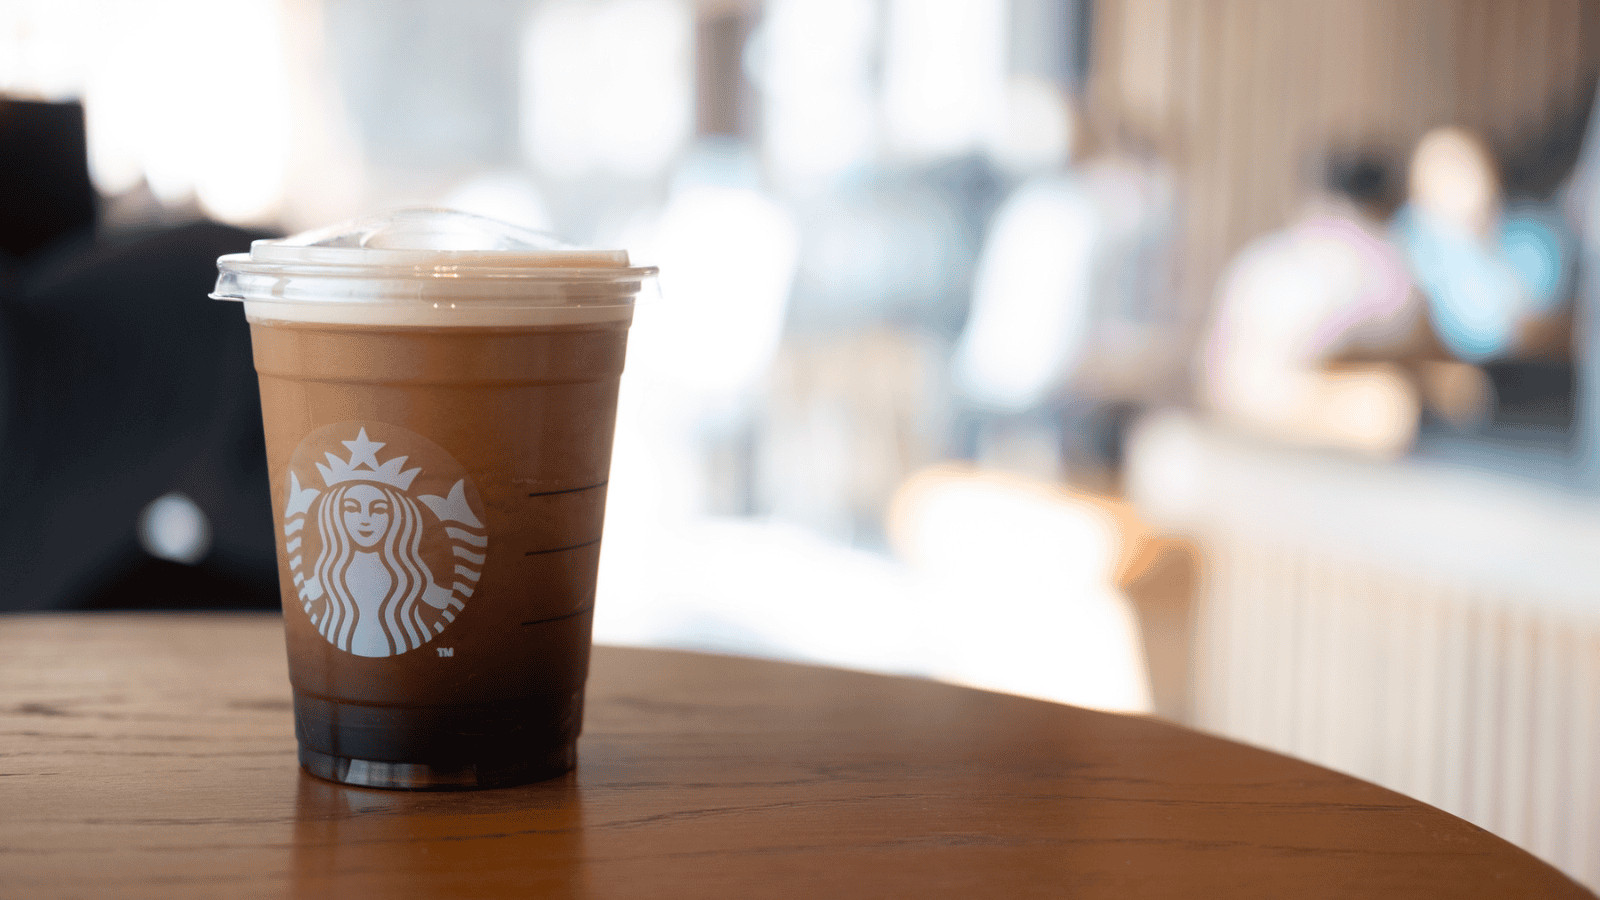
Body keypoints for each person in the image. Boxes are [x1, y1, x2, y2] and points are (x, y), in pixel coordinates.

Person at [1200, 150, 1424, 457]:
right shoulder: (1377, 253)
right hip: (1294, 401)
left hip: (1230, 397)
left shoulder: (1263, 251)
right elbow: (1400, 330)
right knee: (1389, 402)